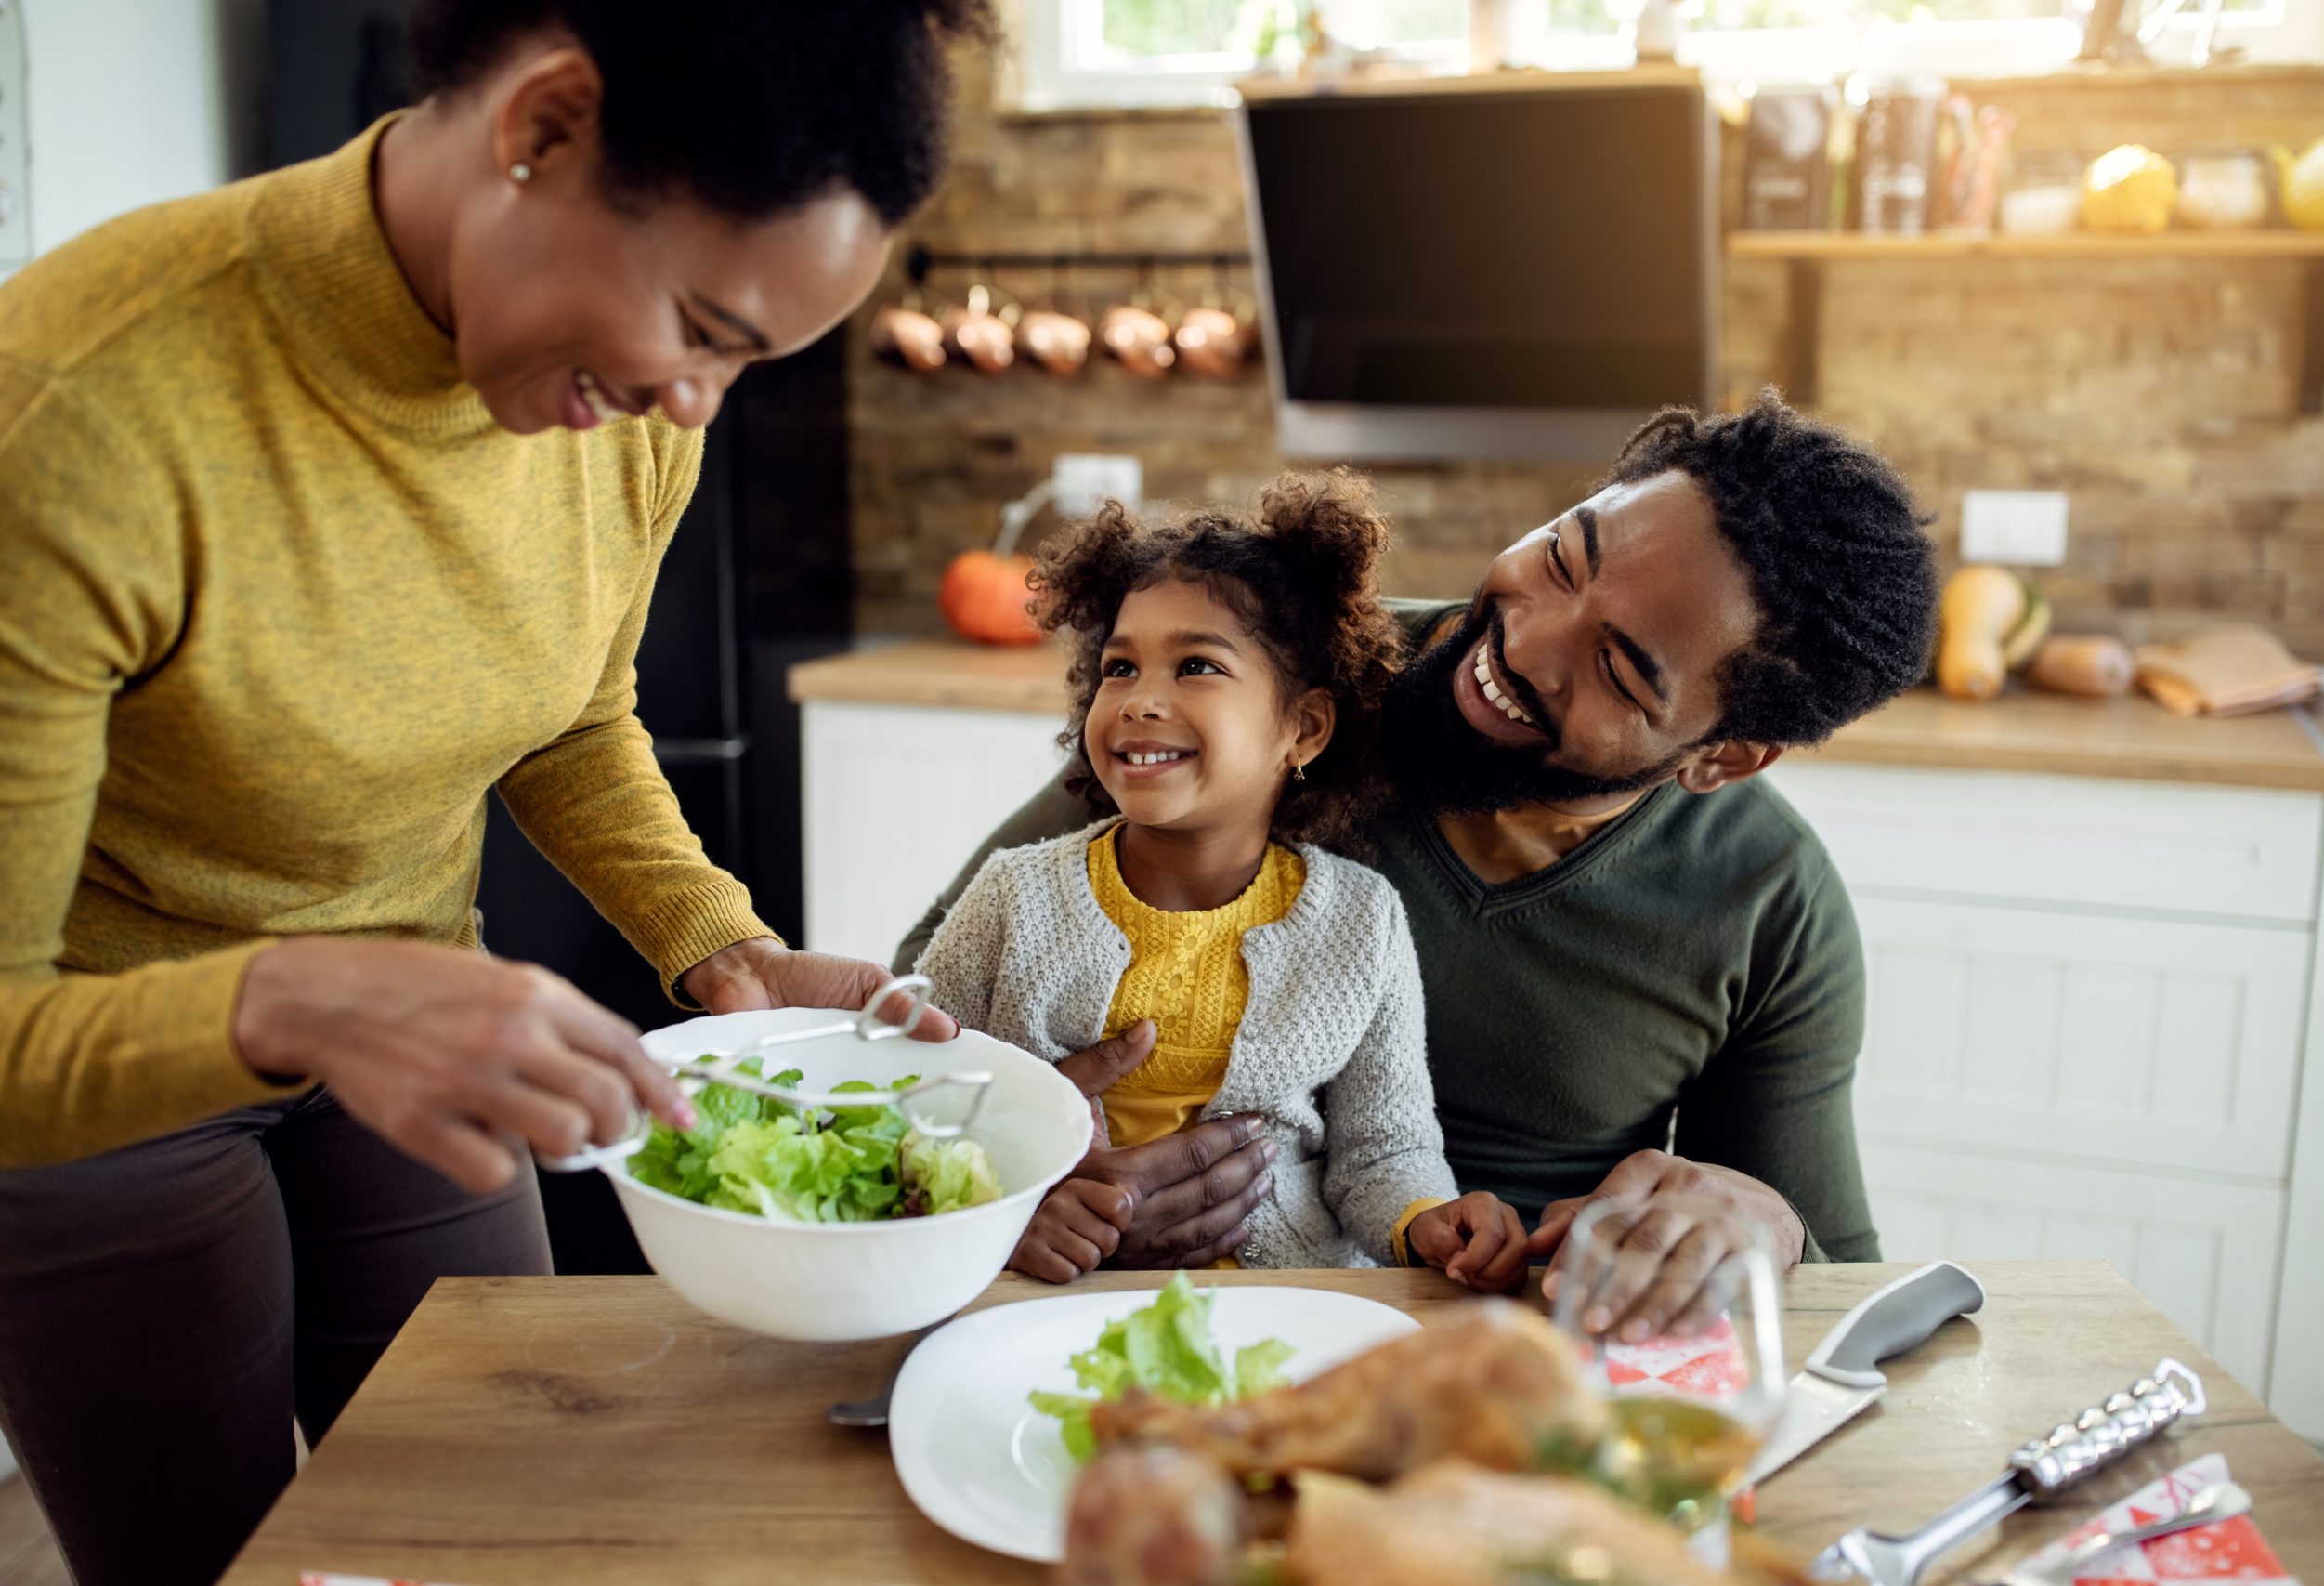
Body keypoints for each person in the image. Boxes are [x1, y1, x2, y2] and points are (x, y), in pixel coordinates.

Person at [0, 4, 989, 1582]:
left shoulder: (624, 414)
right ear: (543, 127)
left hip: (408, 1010)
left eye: (754, 360)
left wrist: (719, 948)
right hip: (104, 1076)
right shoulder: (81, 408)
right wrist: (299, 1001)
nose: (700, 408)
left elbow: (568, 715)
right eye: (706, 324)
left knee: (511, 1519)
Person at [898, 393, 1940, 1335]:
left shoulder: (1767, 905)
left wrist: (1761, 1220)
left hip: (1493, 1368)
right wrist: (1025, 1161)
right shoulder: (1281, 681)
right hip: (1091, 1310)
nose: (1527, 643)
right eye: (1565, 556)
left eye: (1616, 671)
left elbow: (1846, 1292)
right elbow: (930, 993)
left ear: (1720, 756)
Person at [917, 475, 1528, 1289]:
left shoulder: (1362, 920)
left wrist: (1427, 1222)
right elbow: (916, 1102)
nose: (1139, 700)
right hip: (1052, 1293)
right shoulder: (1011, 898)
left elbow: (1386, 1149)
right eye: (1120, 667)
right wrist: (1005, 1207)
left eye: (1196, 665)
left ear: (1302, 727)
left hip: (1289, 1302)